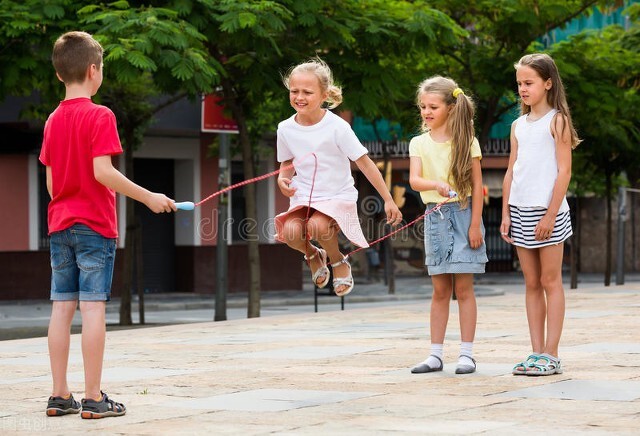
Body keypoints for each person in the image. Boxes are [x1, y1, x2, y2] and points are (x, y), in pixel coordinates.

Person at [40, 31, 177, 418]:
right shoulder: (100, 115)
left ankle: (59, 394)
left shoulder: (52, 120)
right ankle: (94, 397)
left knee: (61, 308)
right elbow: (103, 172)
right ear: (94, 70)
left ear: (59, 75)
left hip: (59, 226)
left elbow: (51, 185)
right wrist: (149, 197)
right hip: (94, 227)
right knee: (94, 309)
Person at [274, 58, 402, 297]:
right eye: (294, 91)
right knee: (290, 233)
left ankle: (337, 260)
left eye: (307, 92)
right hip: (304, 194)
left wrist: (388, 199)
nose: (299, 97)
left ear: (324, 95)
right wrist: (283, 178)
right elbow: (287, 162)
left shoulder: (337, 127)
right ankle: (314, 254)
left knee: (318, 225)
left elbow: (364, 162)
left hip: (335, 193)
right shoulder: (285, 128)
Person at [501, 53, 579, 376]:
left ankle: (553, 353)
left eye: (529, 83)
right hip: (520, 210)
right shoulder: (517, 125)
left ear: (547, 84)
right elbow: (510, 171)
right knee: (531, 283)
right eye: (519, 83)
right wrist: (505, 212)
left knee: (550, 281)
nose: (523, 88)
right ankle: (536, 353)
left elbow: (564, 173)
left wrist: (549, 216)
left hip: (550, 213)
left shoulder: (557, 121)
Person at [408, 76, 487, 375]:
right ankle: (435, 354)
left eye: (433, 106)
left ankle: (466, 354)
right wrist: (436, 184)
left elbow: (478, 185)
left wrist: (475, 225)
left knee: (464, 288)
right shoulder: (419, 142)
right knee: (440, 289)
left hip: (465, 213)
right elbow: (415, 180)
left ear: (451, 108)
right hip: (436, 216)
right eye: (422, 107)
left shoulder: (468, 142)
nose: (426, 112)